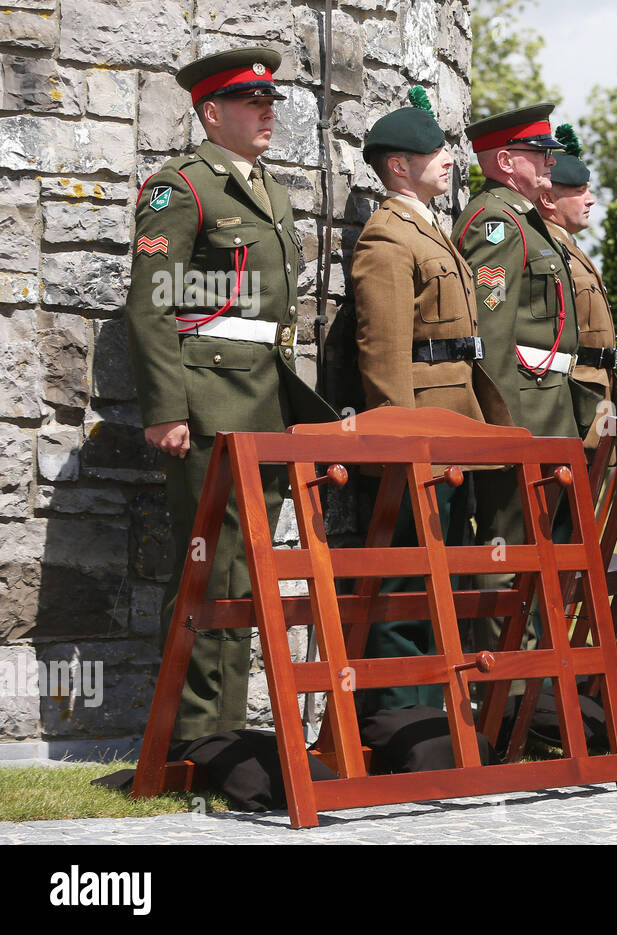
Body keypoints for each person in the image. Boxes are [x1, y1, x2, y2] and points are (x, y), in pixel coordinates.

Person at [123, 46, 336, 743]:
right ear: (212, 113)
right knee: (210, 565)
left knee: (246, 572)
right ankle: (192, 735)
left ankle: (223, 732)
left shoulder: (270, 190)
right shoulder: (181, 188)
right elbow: (154, 305)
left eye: (270, 101)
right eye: (253, 102)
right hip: (209, 405)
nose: (267, 112)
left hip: (264, 402)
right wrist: (166, 409)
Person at [349, 100, 511, 714]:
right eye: (433, 152)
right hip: (419, 433)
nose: (449, 160)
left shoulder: (428, 228)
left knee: (444, 566)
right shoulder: (389, 236)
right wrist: (401, 443)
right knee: (408, 575)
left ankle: (436, 704)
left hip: (455, 422)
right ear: (398, 166)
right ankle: (399, 713)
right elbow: (383, 353)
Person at [452, 104, 582, 657]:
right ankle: (505, 687)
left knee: (538, 552)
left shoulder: (525, 220)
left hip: (547, 406)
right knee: (508, 551)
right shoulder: (495, 222)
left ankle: (534, 685)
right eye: (538, 154)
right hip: (523, 413)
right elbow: (490, 337)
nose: (550, 163)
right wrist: (504, 429)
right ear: (505, 161)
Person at [536, 124, 617, 451]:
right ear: (547, 198)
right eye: (580, 191)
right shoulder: (546, 250)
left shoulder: (570, 247)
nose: (592, 200)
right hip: (572, 399)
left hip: (594, 393)